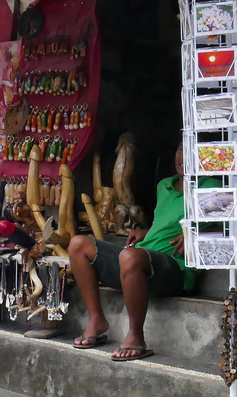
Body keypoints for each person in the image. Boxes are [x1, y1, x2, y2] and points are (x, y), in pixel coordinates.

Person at [66, 148, 193, 362]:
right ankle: (96, 320)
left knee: (130, 257)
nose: (183, 155)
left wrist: (197, 233)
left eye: (190, 148)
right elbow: (163, 223)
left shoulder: (211, 186)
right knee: (78, 244)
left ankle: (136, 336)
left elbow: (231, 224)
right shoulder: (165, 185)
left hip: (175, 266)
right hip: (142, 257)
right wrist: (145, 233)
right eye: (181, 149)